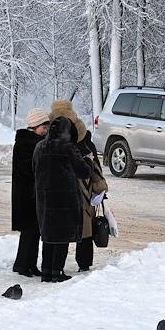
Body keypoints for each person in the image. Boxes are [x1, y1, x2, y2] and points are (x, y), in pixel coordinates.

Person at [50, 99, 108, 272]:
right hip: (84, 186)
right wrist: (99, 186)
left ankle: (56, 266)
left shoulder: (52, 130)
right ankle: (84, 263)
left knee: (62, 228)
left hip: (61, 187)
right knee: (85, 227)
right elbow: (94, 164)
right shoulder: (82, 131)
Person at [33, 115, 91, 283]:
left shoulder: (39, 147)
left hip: (44, 199)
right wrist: (89, 162)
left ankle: (46, 272)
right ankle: (56, 272)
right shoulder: (68, 148)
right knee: (62, 238)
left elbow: (34, 169)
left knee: (49, 236)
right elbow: (84, 172)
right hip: (65, 201)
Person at [12, 108, 50, 276]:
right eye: (43, 126)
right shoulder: (26, 143)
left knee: (34, 232)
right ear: (34, 126)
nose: (46, 129)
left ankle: (30, 264)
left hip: (32, 193)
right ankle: (22, 265)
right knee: (30, 231)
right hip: (28, 194)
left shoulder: (35, 141)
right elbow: (28, 169)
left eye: (47, 125)